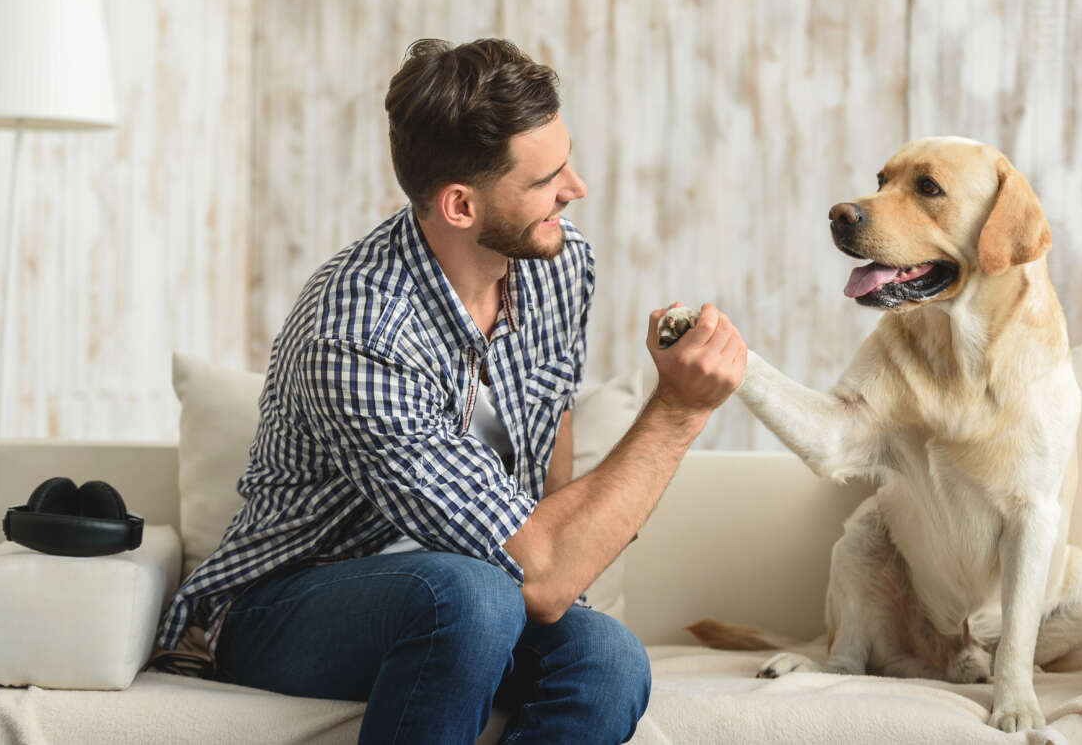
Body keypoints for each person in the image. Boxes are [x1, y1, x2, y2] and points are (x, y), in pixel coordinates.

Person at [156, 38, 747, 744]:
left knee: (609, 658)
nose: (576, 188)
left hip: (479, 589)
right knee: (470, 594)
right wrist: (679, 409)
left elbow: (548, 444)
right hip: (288, 601)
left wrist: (560, 577)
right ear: (461, 204)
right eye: (547, 178)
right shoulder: (357, 331)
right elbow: (543, 573)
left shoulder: (558, 263)